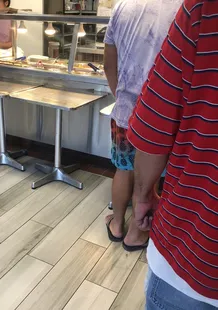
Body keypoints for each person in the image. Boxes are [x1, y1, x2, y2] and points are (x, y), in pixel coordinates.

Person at [127, 0, 218, 308]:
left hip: (192, 254)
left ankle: (123, 231)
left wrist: (143, 197)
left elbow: (153, 132)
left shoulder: (203, 9)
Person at [103, 0, 182, 251]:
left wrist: (122, 98)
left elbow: (108, 64)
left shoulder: (122, 6)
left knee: (122, 169)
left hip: (125, 111)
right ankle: (136, 235)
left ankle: (116, 225)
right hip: (161, 116)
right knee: (149, 179)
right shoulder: (183, 7)